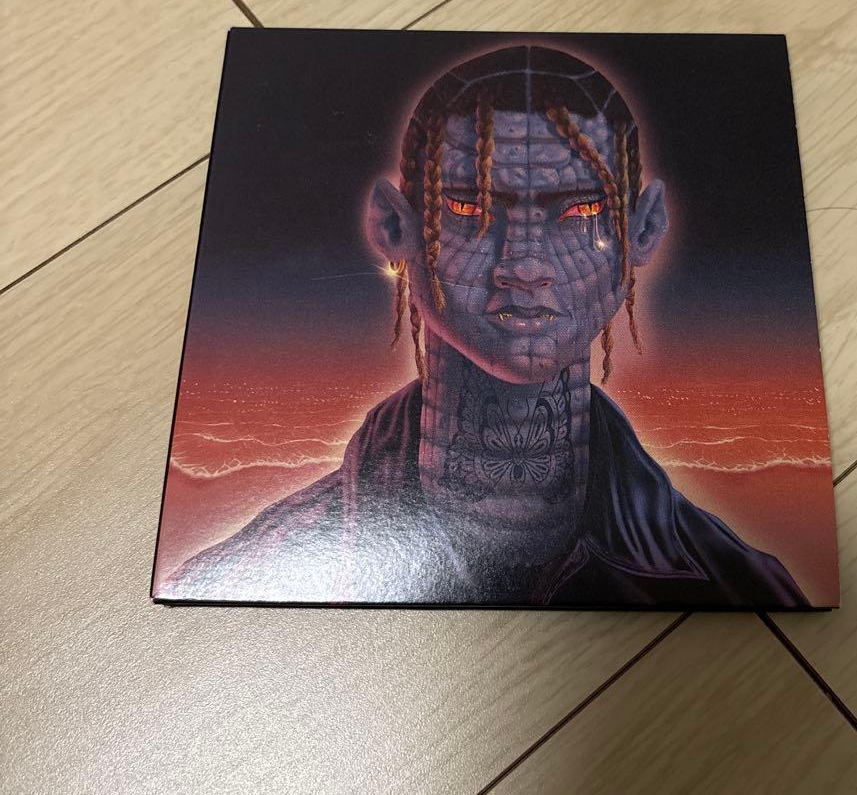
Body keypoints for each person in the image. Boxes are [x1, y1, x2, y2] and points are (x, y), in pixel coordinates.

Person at [162, 45, 807, 607]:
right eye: (468, 208)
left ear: (643, 231)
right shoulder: (243, 575)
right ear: (394, 226)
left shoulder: (740, 585)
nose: (524, 265)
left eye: (580, 211)